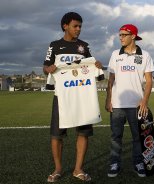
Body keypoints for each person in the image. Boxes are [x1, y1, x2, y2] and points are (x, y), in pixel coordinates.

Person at [43, 12, 102, 182]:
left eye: (80, 26)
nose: (78, 29)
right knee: (56, 135)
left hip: (83, 97)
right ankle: (58, 169)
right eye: (75, 26)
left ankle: (78, 169)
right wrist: (49, 69)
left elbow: (93, 65)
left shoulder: (84, 46)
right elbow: (45, 66)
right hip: (61, 96)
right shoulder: (54, 45)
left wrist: (97, 65)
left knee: (83, 133)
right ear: (65, 26)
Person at [105, 24, 154, 178]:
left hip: (136, 105)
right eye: (120, 35)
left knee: (137, 137)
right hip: (117, 104)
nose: (120, 38)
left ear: (133, 36)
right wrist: (108, 99)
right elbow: (111, 80)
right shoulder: (115, 54)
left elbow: (149, 81)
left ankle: (138, 162)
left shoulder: (145, 55)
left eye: (124, 35)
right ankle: (115, 163)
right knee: (116, 137)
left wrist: (144, 101)